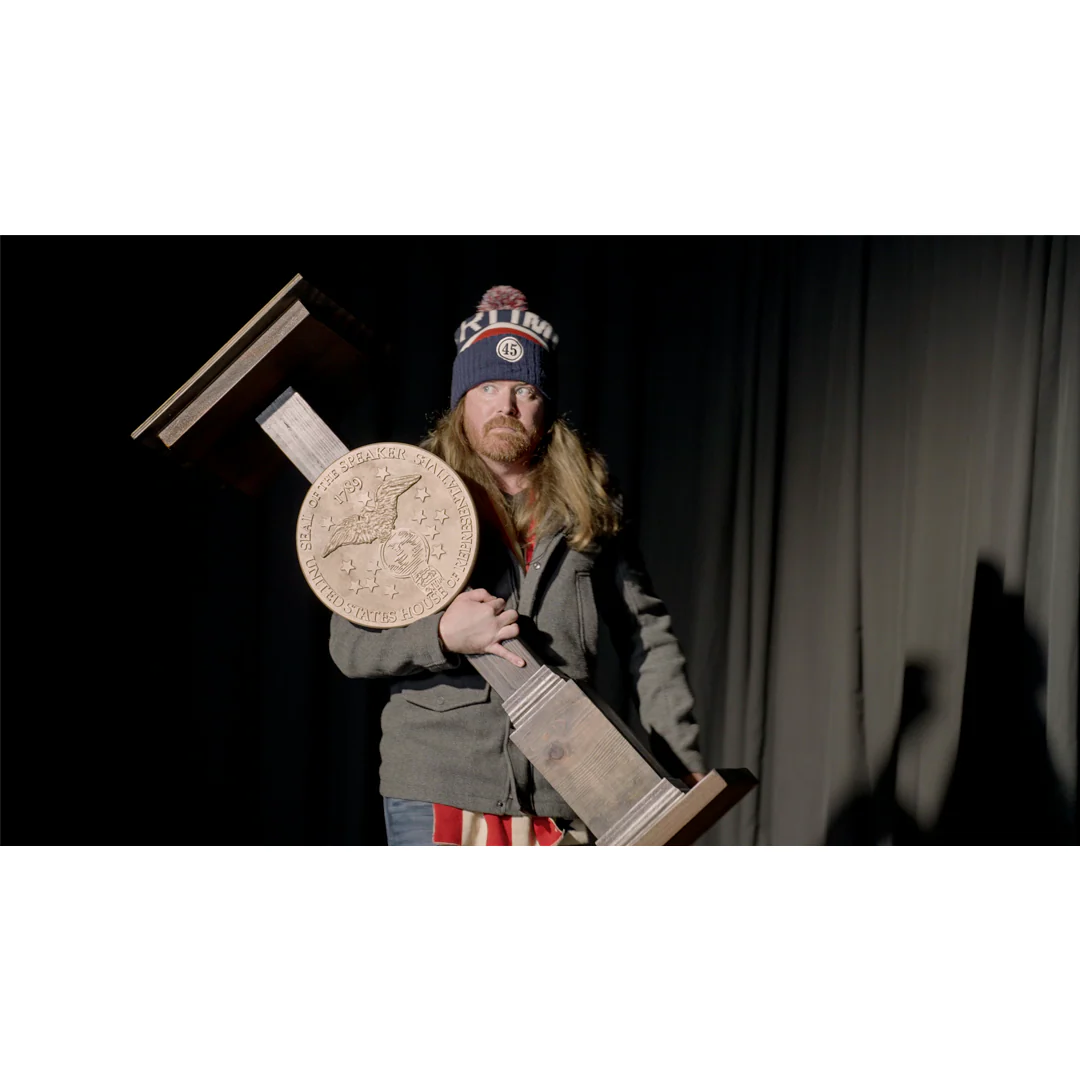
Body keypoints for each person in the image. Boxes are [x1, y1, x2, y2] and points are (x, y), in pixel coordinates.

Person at [329, 285, 705, 845]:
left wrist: (681, 759)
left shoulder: (591, 497)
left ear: (545, 404)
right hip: (439, 784)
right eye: (487, 388)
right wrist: (441, 635)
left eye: (523, 390)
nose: (505, 407)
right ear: (462, 400)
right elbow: (351, 646)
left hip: (566, 785)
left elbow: (646, 636)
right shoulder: (408, 490)